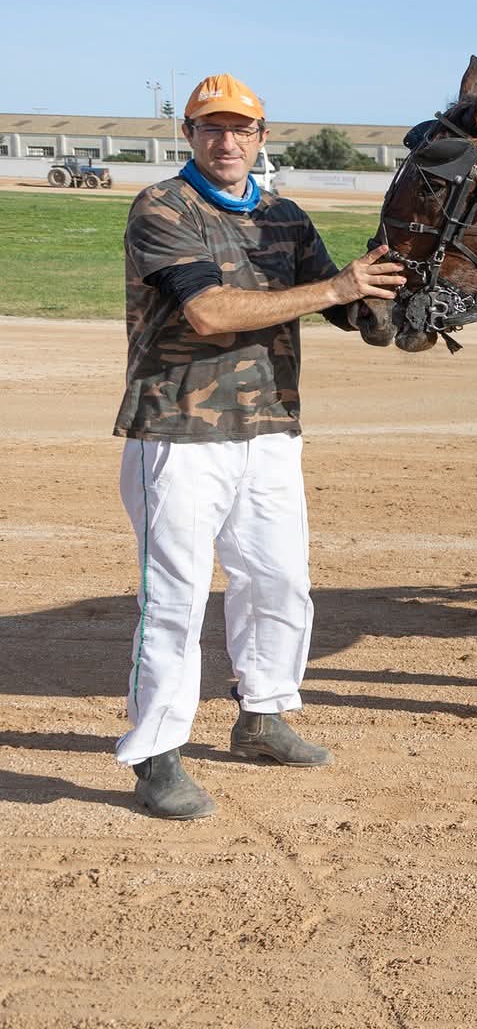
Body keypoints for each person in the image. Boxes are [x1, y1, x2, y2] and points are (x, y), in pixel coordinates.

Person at [113, 74, 407, 819]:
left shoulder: (284, 216)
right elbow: (210, 311)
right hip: (177, 434)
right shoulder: (162, 208)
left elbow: (346, 306)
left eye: (241, 128)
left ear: (261, 136)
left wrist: (392, 300)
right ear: (187, 134)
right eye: (211, 127)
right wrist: (337, 290)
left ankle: (263, 714)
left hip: (270, 429)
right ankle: (155, 755)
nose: (227, 141)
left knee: (279, 581)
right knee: (174, 601)